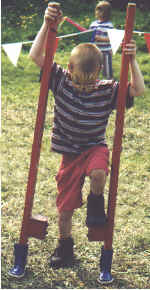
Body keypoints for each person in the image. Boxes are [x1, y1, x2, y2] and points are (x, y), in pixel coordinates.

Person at [29, 2, 145, 269]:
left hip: (94, 147)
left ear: (99, 74)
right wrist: (47, 26)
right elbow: (37, 57)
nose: (84, 87)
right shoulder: (61, 81)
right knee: (65, 209)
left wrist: (133, 59)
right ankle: (65, 246)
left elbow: (137, 90)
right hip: (70, 154)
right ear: (69, 69)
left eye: (90, 81)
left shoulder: (105, 89)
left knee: (99, 172)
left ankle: (95, 203)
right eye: (80, 80)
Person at [89, 1, 114, 79]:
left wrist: (100, 38)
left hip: (106, 51)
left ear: (107, 13)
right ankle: (96, 81)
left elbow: (111, 38)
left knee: (107, 69)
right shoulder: (93, 24)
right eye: (97, 10)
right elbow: (90, 36)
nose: (98, 12)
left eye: (101, 11)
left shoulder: (109, 25)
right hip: (96, 51)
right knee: (95, 68)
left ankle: (110, 82)